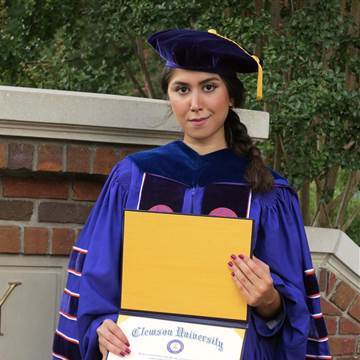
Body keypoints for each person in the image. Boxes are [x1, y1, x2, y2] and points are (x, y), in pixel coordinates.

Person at [52, 29, 331, 360]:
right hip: (142, 350)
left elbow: (292, 311)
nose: (195, 104)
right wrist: (103, 326)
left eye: (209, 87)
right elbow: (98, 280)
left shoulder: (268, 193)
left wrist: (269, 300)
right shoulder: (133, 177)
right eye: (182, 89)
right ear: (169, 98)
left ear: (231, 96)